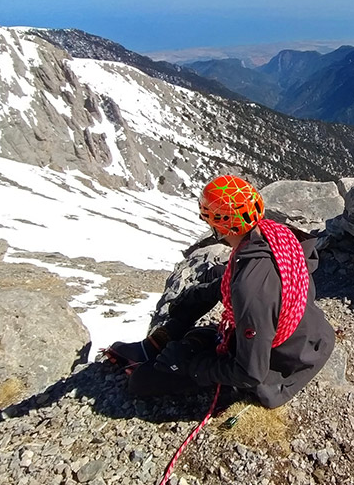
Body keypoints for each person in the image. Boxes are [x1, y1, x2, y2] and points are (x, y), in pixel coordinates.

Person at [103, 175, 335, 408]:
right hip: (310, 338)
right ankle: (161, 342)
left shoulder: (250, 290)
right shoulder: (278, 237)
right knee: (212, 294)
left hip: (283, 369)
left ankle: (167, 354)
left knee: (142, 381)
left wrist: (190, 366)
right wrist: (190, 304)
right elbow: (236, 281)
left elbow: (250, 373)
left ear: (220, 225)